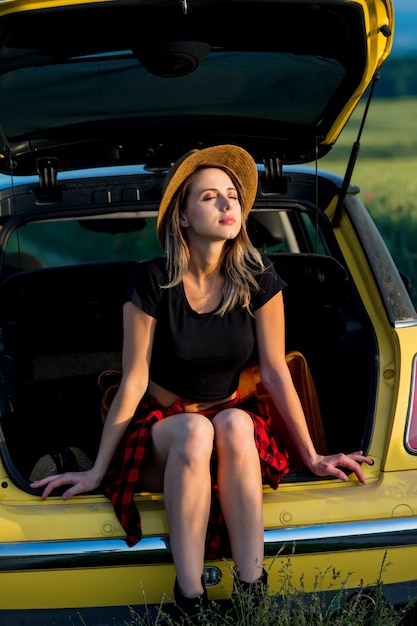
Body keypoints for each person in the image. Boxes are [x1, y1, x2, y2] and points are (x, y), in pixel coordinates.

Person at [31, 144, 373, 620]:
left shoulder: (258, 278)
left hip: (234, 433)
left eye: (232, 195)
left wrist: (313, 456)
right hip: (168, 432)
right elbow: (134, 380)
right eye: (210, 196)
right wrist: (96, 469)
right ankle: (188, 601)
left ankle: (252, 594)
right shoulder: (150, 281)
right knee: (197, 433)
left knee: (232, 425)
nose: (227, 204)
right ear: (184, 218)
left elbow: (274, 371)